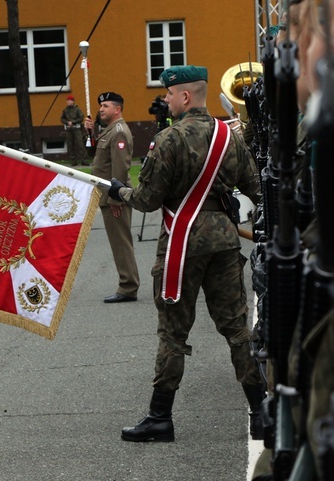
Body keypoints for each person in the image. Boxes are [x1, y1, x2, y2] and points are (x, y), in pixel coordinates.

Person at [109, 65, 264, 442]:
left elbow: (147, 200)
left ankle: (160, 417)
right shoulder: (229, 136)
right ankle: (263, 413)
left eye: (169, 93)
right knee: (237, 329)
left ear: (185, 96)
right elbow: (258, 187)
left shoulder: (168, 139)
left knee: (173, 333)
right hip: (226, 243)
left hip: (183, 244)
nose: (165, 99)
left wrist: (119, 191)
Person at [87, 92, 140, 303]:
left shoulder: (118, 132)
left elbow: (120, 167)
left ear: (117, 109)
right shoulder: (108, 131)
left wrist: (116, 198)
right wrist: (90, 134)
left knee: (121, 243)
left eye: (106, 105)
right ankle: (127, 283)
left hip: (114, 197)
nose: (101, 109)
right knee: (118, 242)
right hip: (108, 195)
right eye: (100, 105)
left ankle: (128, 286)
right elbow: (97, 160)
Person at [60, 95, 88, 166]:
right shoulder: (65, 110)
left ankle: (83, 160)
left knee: (80, 144)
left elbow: (81, 118)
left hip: (76, 129)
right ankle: (73, 160)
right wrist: (67, 122)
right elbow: (62, 119)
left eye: (69, 101)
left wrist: (73, 122)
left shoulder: (77, 109)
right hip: (69, 129)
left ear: (73, 101)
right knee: (70, 144)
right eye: (67, 101)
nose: (68, 102)